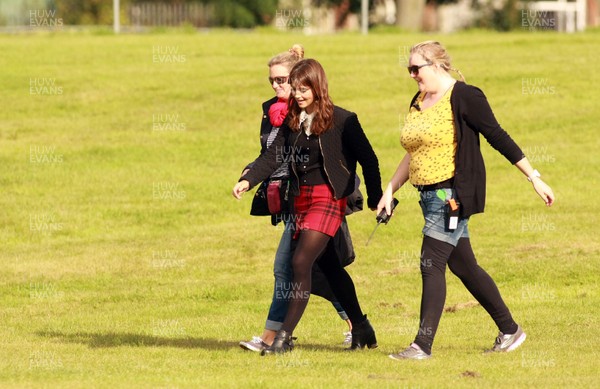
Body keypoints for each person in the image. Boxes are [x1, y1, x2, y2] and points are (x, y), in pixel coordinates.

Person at [378, 41, 555, 360]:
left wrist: (534, 177)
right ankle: (510, 329)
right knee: (464, 265)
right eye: (409, 69)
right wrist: (390, 189)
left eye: (416, 69)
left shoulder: (465, 96)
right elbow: (413, 152)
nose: (412, 75)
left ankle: (422, 345)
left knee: (430, 262)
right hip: (427, 195)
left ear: (436, 65)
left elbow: (497, 135)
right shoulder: (419, 99)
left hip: (451, 195)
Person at [233, 58, 383, 354]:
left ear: (318, 87)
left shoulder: (343, 120)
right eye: (295, 89)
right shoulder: (293, 120)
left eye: (304, 89)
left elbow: (369, 159)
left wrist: (378, 199)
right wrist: (248, 180)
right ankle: (361, 327)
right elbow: (274, 156)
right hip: (300, 200)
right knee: (329, 267)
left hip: (328, 199)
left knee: (300, 263)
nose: (298, 95)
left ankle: (283, 338)